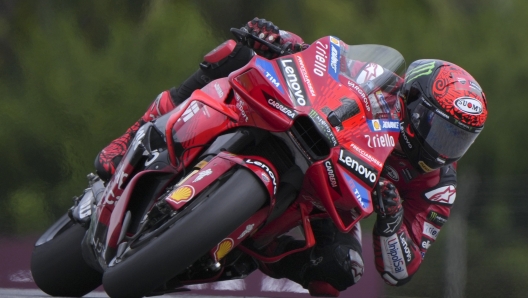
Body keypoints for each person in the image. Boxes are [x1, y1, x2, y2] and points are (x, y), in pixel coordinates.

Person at [94, 18, 488, 296]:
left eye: (459, 140)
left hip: (332, 201)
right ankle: (133, 135)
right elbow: (324, 60)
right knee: (233, 53)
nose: (445, 148)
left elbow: (402, 268)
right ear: (416, 103)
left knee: (341, 272)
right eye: (444, 131)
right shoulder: (382, 83)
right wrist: (280, 39)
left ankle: (234, 255)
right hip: (305, 130)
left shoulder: (439, 184)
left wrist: (392, 219)